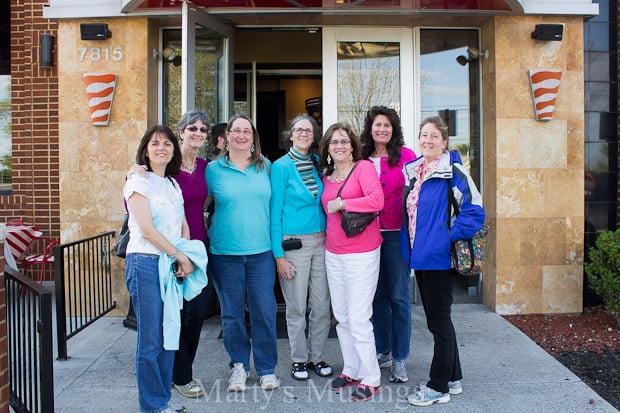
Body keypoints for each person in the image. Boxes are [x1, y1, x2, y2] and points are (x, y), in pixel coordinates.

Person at [400, 116, 485, 407]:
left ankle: (438, 387)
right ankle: (454, 378)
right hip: (421, 257)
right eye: (424, 135)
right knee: (440, 321)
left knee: (438, 324)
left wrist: (447, 236)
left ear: (444, 142)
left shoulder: (453, 172)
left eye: (434, 136)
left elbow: (475, 210)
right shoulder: (415, 172)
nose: (428, 140)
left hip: (439, 259)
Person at [128, 110, 212, 399]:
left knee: (178, 326)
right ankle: (156, 399)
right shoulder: (144, 179)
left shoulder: (183, 179)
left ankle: (166, 390)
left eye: (165, 144)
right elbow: (147, 229)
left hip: (178, 258)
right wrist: (180, 255)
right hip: (149, 259)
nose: (161, 148)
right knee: (152, 337)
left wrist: (184, 255)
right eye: (155, 144)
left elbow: (184, 222)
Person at [205, 113, 280, 392]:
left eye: (246, 131)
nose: (240, 135)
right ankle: (238, 365)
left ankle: (266, 368)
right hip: (225, 253)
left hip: (261, 253)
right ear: (226, 137)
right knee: (232, 313)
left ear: (253, 137)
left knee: (264, 310)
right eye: (235, 130)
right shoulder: (213, 170)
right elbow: (193, 202)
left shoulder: (267, 167)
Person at [319, 122, 384, 402]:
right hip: (333, 253)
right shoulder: (327, 176)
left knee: (358, 317)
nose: (340, 146)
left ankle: (372, 377)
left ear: (353, 145)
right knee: (343, 317)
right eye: (334, 142)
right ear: (328, 148)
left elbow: (377, 200)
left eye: (344, 141)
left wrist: (344, 203)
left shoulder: (364, 168)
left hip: (362, 253)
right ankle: (352, 368)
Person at [270, 114, 332, 381]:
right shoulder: (281, 166)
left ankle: (316, 357)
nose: (305, 133)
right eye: (299, 130)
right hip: (294, 243)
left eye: (309, 130)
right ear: (291, 135)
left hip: (323, 241)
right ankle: (299, 359)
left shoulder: (319, 163)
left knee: (321, 304)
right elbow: (273, 214)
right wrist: (278, 255)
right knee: (295, 306)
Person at [360, 106, 416, 383]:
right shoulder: (360, 158)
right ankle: (382, 349)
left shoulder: (406, 157)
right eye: (377, 125)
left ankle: (400, 358)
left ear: (394, 129)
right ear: (370, 128)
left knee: (399, 298)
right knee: (376, 297)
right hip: (367, 237)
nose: (382, 129)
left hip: (396, 236)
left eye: (387, 125)